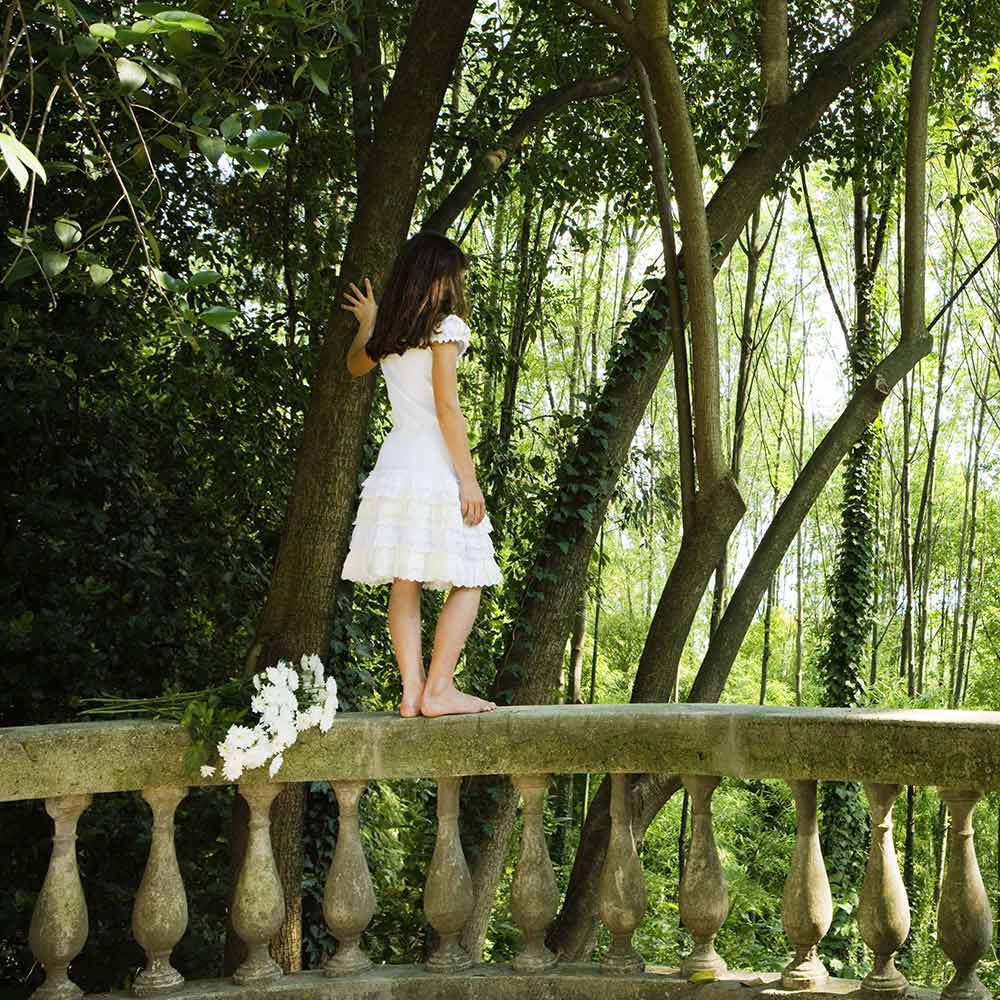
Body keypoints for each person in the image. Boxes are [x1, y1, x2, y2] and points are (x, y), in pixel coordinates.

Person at [339, 231, 502, 719]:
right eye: (451, 277)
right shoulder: (445, 328)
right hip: (433, 463)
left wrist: (368, 322)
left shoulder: (389, 333)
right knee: (471, 573)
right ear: (435, 277)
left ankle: (413, 691)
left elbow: (353, 365)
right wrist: (468, 479)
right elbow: (448, 408)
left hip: (395, 464)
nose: (455, 287)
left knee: (405, 580)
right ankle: (438, 688)